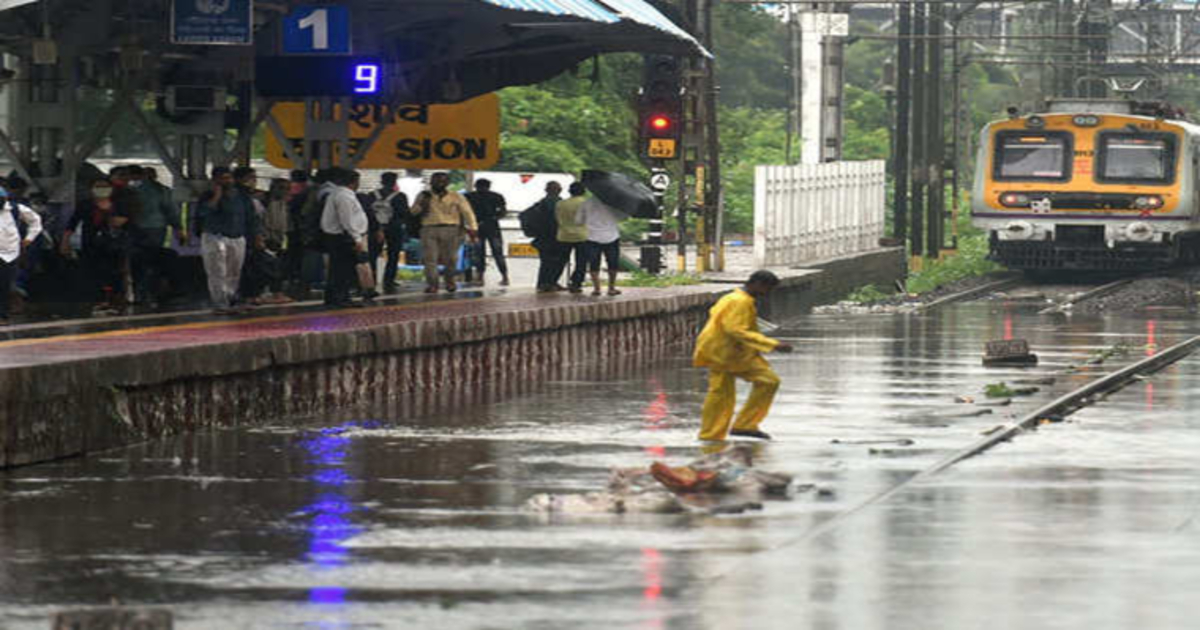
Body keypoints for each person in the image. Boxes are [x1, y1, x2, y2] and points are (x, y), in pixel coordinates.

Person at [692, 270, 794, 441]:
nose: (767, 294)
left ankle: (744, 425)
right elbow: (735, 329)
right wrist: (772, 344)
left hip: (736, 353)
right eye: (767, 289)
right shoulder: (739, 301)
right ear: (758, 284)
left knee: (768, 381)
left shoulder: (734, 298)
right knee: (720, 396)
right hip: (722, 353)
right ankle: (711, 434)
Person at [61, 178, 137, 313]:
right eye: (98, 186)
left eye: (105, 186)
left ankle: (115, 299)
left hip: (114, 244)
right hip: (91, 243)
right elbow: (72, 224)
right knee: (94, 272)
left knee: (115, 272)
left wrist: (120, 221)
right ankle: (99, 299)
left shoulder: (119, 204)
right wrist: (65, 242)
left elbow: (129, 222)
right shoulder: (85, 205)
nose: (101, 189)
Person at [195, 166, 261, 314]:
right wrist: (216, 196)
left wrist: (256, 235)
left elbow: (251, 217)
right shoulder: (207, 195)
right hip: (214, 236)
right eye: (223, 179)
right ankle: (219, 303)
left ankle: (231, 299)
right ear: (215, 180)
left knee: (234, 271)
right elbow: (203, 212)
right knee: (217, 270)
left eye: (228, 178)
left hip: (237, 236)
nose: (227, 181)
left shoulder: (242, 195)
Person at [410, 172, 477, 294]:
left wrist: (473, 228)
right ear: (431, 182)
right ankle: (432, 284)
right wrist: (422, 205)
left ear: (447, 183)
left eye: (442, 181)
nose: (439, 183)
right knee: (430, 259)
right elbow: (413, 212)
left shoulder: (456, 196)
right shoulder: (424, 195)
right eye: (436, 181)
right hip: (429, 229)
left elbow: (468, 212)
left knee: (451, 258)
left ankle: (450, 281)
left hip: (452, 229)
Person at [320, 168, 371, 307]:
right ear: (355, 182)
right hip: (343, 237)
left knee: (337, 269)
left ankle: (334, 297)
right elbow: (347, 219)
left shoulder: (338, 194)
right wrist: (357, 239)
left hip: (338, 236)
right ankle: (340, 298)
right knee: (343, 269)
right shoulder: (344, 196)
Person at [0, 184, 42, 324]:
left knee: (5, 285)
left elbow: (35, 221)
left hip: (10, 253)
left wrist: (29, 239)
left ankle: (2, 315)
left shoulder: (16, 209)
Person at [365, 172, 410, 293]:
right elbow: (404, 214)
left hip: (374, 228)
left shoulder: (371, 195)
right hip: (394, 229)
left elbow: (367, 212)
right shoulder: (400, 196)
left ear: (381, 181)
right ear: (395, 182)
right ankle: (389, 280)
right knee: (393, 254)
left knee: (372, 255)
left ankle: (371, 279)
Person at [576, 193, 625, 296]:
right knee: (612, 263)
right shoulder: (613, 203)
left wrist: (590, 221)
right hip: (611, 237)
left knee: (594, 263)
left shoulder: (586, 203)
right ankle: (611, 288)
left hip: (592, 237)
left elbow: (578, 221)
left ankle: (597, 289)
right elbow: (621, 217)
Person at [464, 178, 510, 286]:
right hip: (492, 227)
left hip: (476, 226)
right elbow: (503, 212)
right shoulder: (497, 196)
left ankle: (480, 277)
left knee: (479, 253)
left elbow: (465, 212)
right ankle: (505, 277)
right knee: (498, 253)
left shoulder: (469, 196)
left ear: (475, 186)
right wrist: (494, 218)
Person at [526, 180, 563, 293]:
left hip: (542, 237)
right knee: (557, 261)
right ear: (558, 190)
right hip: (556, 236)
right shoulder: (559, 203)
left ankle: (543, 283)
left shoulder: (540, 203)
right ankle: (550, 283)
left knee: (545, 261)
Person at [555, 182, 590, 293]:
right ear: (583, 191)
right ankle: (576, 283)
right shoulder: (586, 203)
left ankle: (552, 281)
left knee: (560, 260)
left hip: (563, 235)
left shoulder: (560, 203)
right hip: (582, 236)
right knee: (581, 262)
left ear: (570, 191)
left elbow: (557, 219)